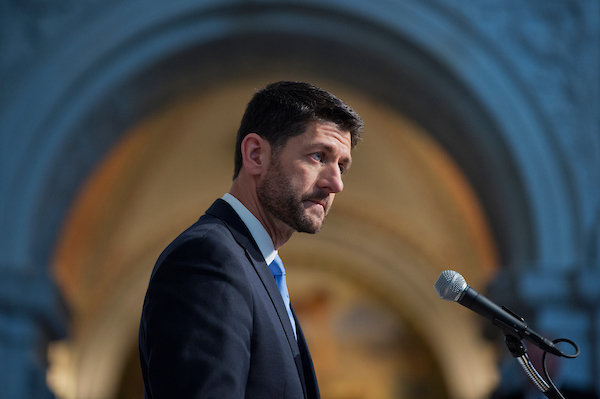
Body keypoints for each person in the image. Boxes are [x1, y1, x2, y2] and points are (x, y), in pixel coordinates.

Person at [138, 81, 363, 398]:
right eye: (318, 156)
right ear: (256, 154)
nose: (336, 183)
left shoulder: (256, 266)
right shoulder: (207, 259)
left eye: (342, 165)